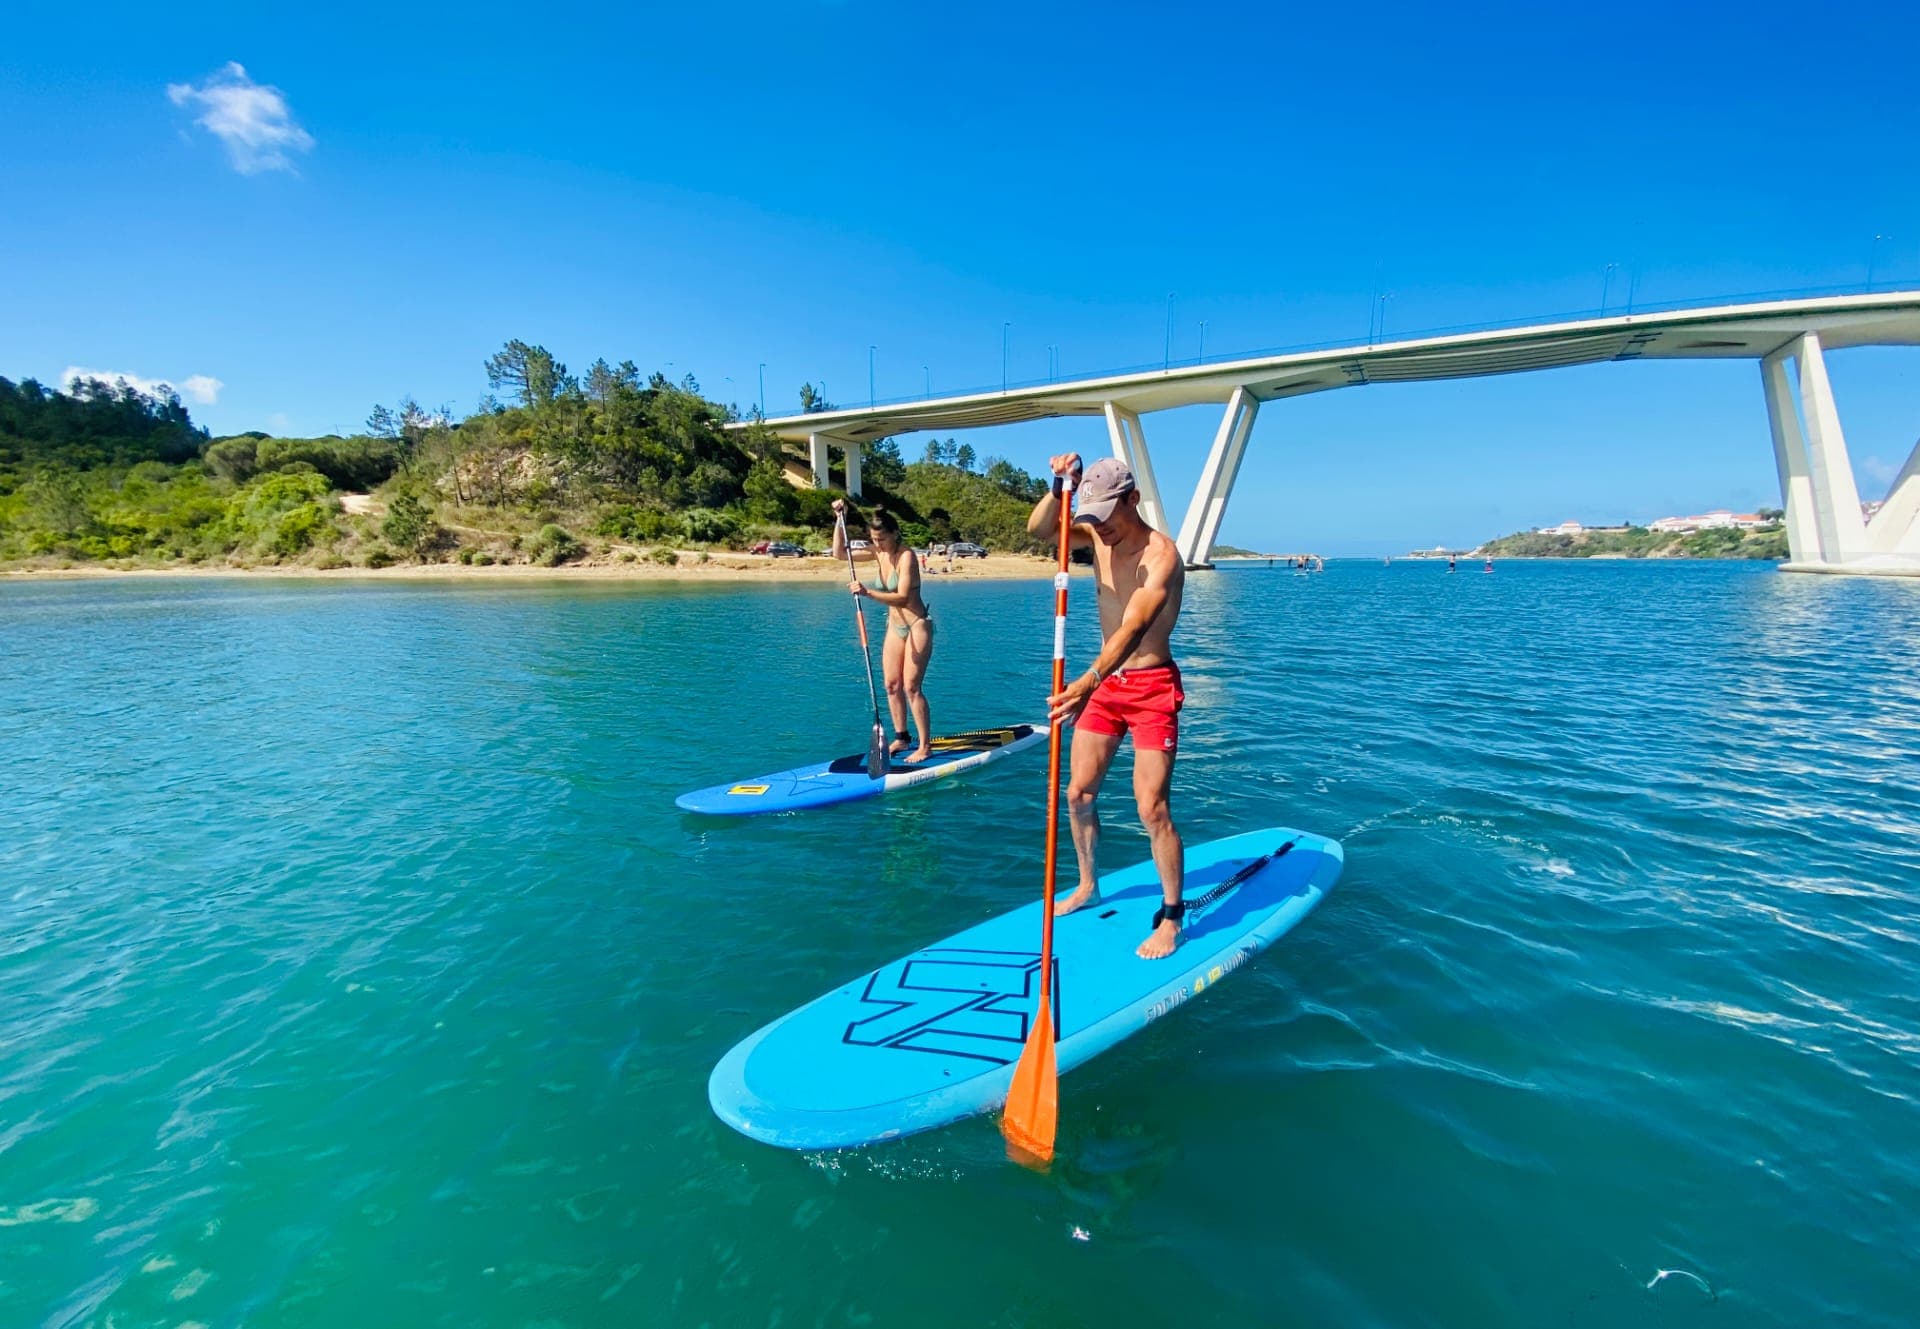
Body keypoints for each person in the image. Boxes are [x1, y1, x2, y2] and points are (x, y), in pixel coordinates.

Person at [1028, 455, 1188, 959]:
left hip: (1151, 687)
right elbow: (1040, 530)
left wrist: (1088, 680)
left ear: (1133, 500)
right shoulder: (1098, 533)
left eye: (1106, 517)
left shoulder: (1161, 556)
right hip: (1106, 685)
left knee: (1151, 807)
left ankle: (1172, 916)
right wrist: (1058, 486)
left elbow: (1135, 626)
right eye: (1092, 518)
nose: (1099, 528)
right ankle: (1088, 884)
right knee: (1077, 794)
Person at [831, 500, 934, 763]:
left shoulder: (907, 556)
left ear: (895, 534)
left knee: (911, 687)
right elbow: (839, 554)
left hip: (917, 624)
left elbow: (902, 597)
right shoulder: (878, 552)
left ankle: (925, 746)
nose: (878, 544)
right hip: (894, 626)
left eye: (882, 539)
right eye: (874, 539)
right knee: (891, 685)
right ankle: (902, 737)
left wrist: (867, 592)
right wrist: (839, 520)